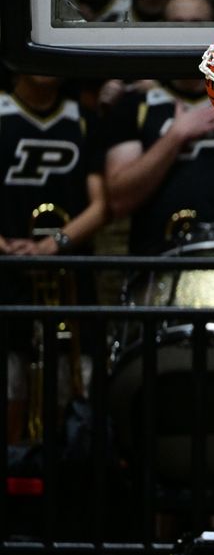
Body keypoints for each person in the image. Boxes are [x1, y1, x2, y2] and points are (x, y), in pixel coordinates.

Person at [0, 72, 107, 443]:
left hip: (67, 274)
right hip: (5, 273)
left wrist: (53, 244)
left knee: (70, 385)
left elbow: (100, 205)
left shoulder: (83, 118)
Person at [103, 0, 214, 255]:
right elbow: (118, 200)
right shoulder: (135, 103)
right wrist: (176, 135)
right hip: (153, 261)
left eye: (197, 24)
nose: (187, 32)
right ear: (163, 29)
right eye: (178, 23)